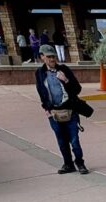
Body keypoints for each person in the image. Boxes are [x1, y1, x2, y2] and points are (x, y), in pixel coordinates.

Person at [34, 44, 89, 174]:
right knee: (61, 140)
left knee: (74, 140)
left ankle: (80, 163)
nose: (52, 59)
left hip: (70, 110)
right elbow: (41, 91)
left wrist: (66, 80)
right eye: (49, 57)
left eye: (54, 56)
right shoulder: (40, 73)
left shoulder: (63, 69)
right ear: (42, 57)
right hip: (53, 113)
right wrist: (46, 109)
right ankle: (68, 164)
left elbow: (77, 89)